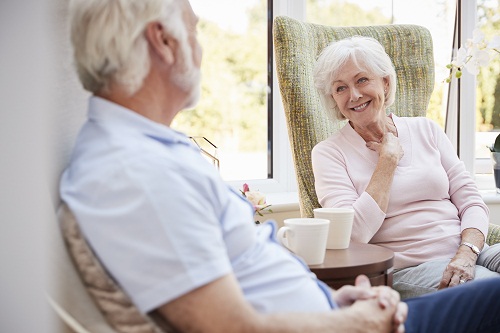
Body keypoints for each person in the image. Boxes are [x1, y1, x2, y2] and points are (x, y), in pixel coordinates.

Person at [60, 0, 500, 332]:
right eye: (195, 31)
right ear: (163, 40)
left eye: (362, 80)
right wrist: (352, 322)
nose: (201, 49)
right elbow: (229, 325)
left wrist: (337, 302)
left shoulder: (153, 149)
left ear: (386, 82)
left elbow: (246, 280)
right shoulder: (134, 171)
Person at [312, 35, 500, 300]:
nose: (353, 95)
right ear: (333, 98)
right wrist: (387, 161)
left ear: (385, 83)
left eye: (362, 80)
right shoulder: (329, 153)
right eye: (340, 88)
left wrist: (468, 251)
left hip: (471, 250)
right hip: (410, 269)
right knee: (492, 291)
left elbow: (471, 201)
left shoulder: (426, 129)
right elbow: (352, 234)